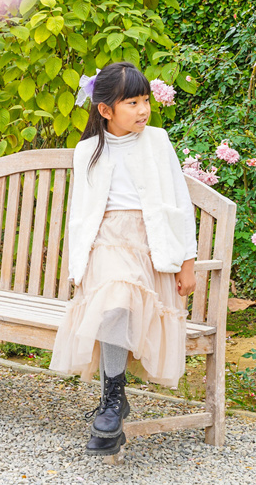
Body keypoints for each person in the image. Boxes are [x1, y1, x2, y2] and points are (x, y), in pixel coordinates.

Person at [49, 62, 197, 456]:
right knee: (114, 301)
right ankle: (114, 399)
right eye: (132, 102)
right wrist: (77, 267)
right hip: (105, 245)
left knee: (119, 305)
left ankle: (110, 408)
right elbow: (80, 215)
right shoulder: (86, 153)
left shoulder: (158, 141)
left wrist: (188, 260)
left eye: (145, 100)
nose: (143, 109)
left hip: (149, 245)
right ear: (105, 110)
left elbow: (180, 204)